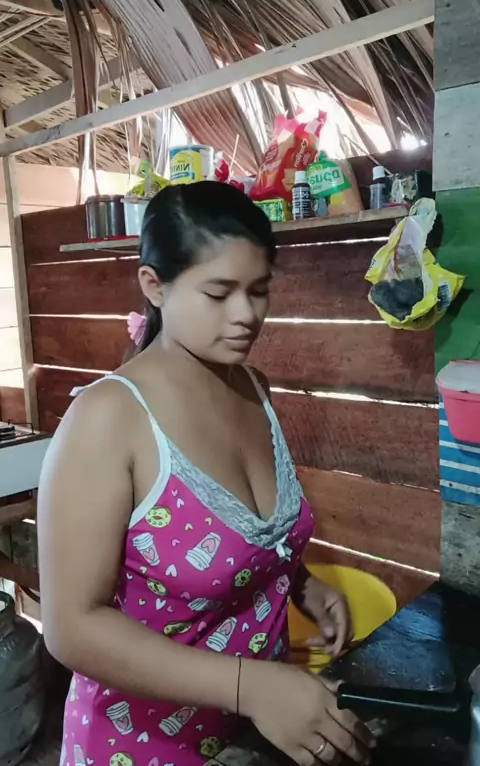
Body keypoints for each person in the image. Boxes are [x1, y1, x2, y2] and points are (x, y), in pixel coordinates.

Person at [38, 182, 373, 766]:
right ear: (154, 286)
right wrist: (252, 687)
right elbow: (71, 627)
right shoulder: (109, 419)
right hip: (140, 746)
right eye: (219, 293)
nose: (247, 314)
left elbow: (241, 541)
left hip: (255, 738)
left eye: (259, 290)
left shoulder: (253, 389)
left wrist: (298, 583)